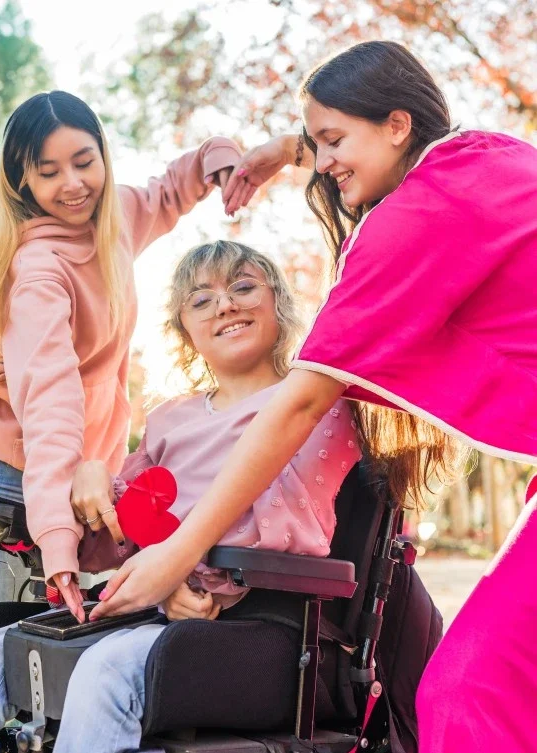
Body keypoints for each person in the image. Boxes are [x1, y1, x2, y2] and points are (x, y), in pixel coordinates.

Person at [90, 42, 537, 753]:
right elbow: (368, 134)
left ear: (395, 126)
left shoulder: (412, 217)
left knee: (471, 691)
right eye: (317, 142)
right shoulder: (484, 154)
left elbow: (297, 404)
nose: (324, 161)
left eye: (333, 141)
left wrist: (178, 554)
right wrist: (286, 150)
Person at [0, 240, 361, 751]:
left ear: (279, 304)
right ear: (185, 331)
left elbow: (285, 520)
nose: (226, 304)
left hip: (256, 616)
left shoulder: (313, 404)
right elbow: (121, 529)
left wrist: (183, 568)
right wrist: (88, 483)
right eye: (202, 300)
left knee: (103, 673)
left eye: (243, 287)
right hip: (153, 603)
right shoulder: (171, 419)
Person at [0, 90, 242, 629]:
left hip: (78, 476)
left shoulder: (115, 218)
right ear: (21, 181)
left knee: (56, 665)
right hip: (5, 475)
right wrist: (57, 544)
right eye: (49, 171)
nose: (74, 184)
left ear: (102, 155)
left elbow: (168, 192)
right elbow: (51, 402)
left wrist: (215, 158)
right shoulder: (37, 271)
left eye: (84, 162)